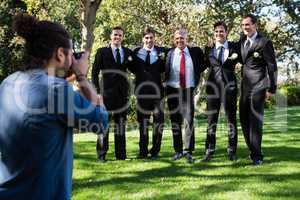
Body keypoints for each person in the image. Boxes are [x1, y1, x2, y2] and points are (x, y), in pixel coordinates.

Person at [0, 13, 108, 200]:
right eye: (70, 54)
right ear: (60, 54)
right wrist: (81, 76)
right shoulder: (57, 90)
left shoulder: (7, 84)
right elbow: (101, 121)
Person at [239, 14, 277, 165]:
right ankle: (253, 150)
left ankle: (257, 156)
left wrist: (272, 88)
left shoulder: (264, 42)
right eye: (243, 25)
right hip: (245, 87)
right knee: (243, 119)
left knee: (255, 121)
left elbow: (272, 66)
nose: (245, 28)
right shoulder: (242, 41)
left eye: (247, 25)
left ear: (255, 25)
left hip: (259, 86)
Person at [92, 27, 133, 162]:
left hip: (122, 94)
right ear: (111, 36)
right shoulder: (102, 52)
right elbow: (94, 72)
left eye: (120, 35)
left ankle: (121, 155)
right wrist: (97, 92)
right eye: (115, 35)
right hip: (105, 94)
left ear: (123, 37)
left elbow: (136, 67)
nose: (118, 37)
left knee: (120, 124)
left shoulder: (127, 52)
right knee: (104, 124)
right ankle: (102, 155)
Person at [165, 28, 206, 163]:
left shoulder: (195, 52)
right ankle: (178, 150)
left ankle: (188, 150)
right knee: (175, 121)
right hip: (172, 90)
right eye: (177, 38)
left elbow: (204, 64)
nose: (179, 40)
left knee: (189, 120)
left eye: (182, 38)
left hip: (188, 90)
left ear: (186, 38)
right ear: (174, 40)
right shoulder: (169, 53)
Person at [202, 21, 239, 162]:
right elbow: (200, 65)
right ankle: (209, 150)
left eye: (221, 31)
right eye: (216, 31)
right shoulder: (208, 50)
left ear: (226, 32)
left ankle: (232, 150)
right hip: (213, 89)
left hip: (230, 88)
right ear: (214, 33)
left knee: (231, 120)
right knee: (211, 121)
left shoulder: (234, 47)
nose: (219, 34)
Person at [131, 27, 167, 160]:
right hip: (142, 93)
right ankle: (143, 151)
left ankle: (155, 151)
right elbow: (131, 68)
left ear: (154, 38)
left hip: (158, 93)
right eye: (146, 38)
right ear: (143, 39)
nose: (149, 40)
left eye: (151, 37)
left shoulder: (162, 52)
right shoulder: (135, 53)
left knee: (159, 122)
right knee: (143, 123)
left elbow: (167, 67)